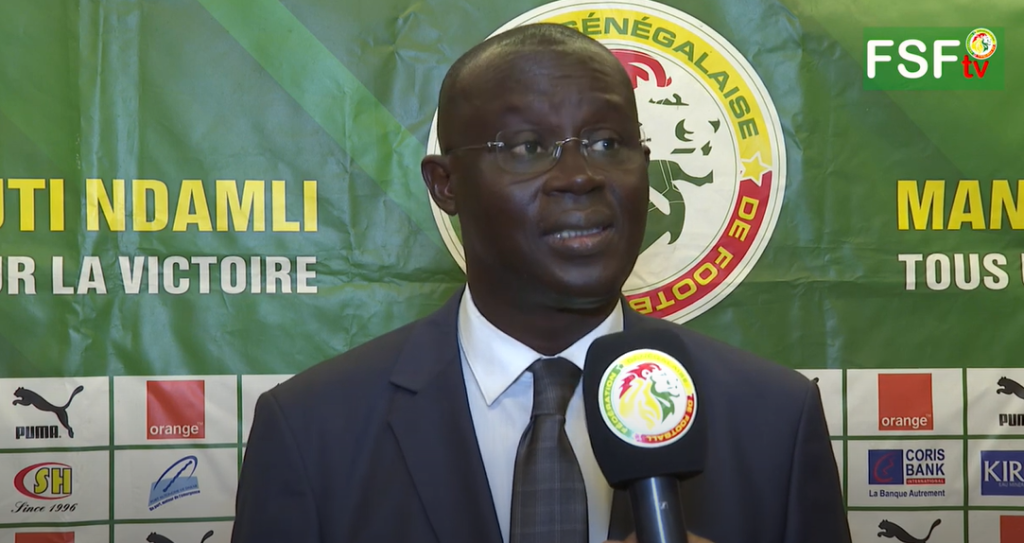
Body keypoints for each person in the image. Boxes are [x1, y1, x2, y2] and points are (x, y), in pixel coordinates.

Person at [231, 23, 851, 543]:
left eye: (607, 142)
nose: (579, 176)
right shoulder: (313, 432)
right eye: (527, 147)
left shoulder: (774, 421)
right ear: (445, 185)